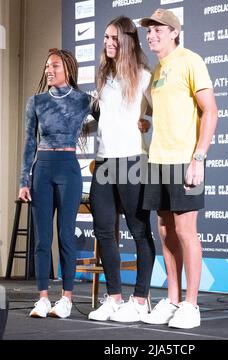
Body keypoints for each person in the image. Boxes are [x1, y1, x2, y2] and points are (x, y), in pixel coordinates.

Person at [139, 9, 218, 329]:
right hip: (158, 160)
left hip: (186, 159)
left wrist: (198, 158)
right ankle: (172, 299)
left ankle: (191, 304)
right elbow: (162, 111)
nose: (151, 35)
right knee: (165, 231)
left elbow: (210, 111)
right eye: (149, 31)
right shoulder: (158, 69)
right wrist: (145, 120)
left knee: (186, 231)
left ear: (174, 32)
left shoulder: (190, 60)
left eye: (158, 30)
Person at [87, 16, 155, 323]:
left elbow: (158, 112)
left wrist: (148, 121)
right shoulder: (103, 77)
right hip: (103, 162)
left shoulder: (143, 77)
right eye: (105, 38)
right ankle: (114, 298)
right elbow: (99, 121)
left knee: (139, 232)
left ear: (127, 40)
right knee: (103, 231)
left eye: (114, 38)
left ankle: (140, 299)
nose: (108, 43)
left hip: (131, 162)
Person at [19, 49, 95, 319]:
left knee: (65, 235)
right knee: (42, 239)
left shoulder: (84, 100)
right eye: (46, 66)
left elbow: (107, 123)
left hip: (69, 170)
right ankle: (42, 299)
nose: (48, 70)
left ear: (68, 69)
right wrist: (23, 180)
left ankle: (65, 299)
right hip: (42, 170)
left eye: (54, 66)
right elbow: (29, 142)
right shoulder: (36, 101)